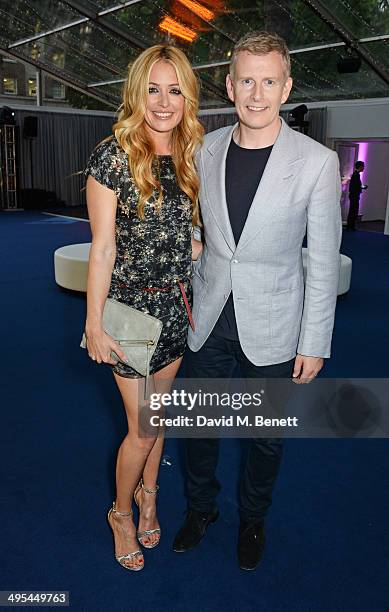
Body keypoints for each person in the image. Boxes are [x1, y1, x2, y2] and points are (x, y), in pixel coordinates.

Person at [173, 31, 342, 570]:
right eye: (247, 79)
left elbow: (321, 259)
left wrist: (314, 342)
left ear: (287, 86)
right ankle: (201, 509)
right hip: (209, 316)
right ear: (229, 84)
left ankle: (253, 519)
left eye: (270, 81)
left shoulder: (315, 163)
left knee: (265, 437)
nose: (257, 92)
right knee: (198, 427)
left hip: (273, 323)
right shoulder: (206, 147)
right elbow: (199, 225)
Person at [84, 45, 203, 571]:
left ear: (187, 97)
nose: (163, 101)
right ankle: (121, 513)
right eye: (152, 88)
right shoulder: (112, 156)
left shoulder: (190, 152)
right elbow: (103, 247)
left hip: (177, 306)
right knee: (144, 427)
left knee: (159, 416)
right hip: (127, 314)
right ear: (136, 92)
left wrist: (191, 244)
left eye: (174, 89)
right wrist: (94, 324)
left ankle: (151, 493)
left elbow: (190, 225)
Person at [347, 160, 367, 230]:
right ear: (360, 167)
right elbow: (355, 186)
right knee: (353, 210)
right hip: (354, 196)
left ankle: (350, 225)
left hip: (353, 195)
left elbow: (354, 186)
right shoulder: (356, 175)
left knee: (353, 210)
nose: (363, 168)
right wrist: (362, 187)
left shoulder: (355, 174)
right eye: (363, 166)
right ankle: (351, 226)